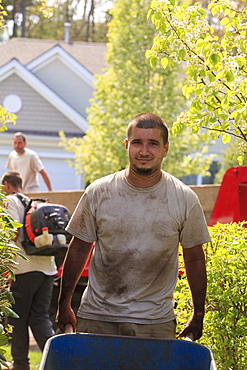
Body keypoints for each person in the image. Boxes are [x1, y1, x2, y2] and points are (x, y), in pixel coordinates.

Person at [56, 113, 210, 341]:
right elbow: (79, 249)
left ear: (165, 149)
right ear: (127, 145)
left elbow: (195, 259)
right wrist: (64, 303)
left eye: (153, 144)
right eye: (137, 143)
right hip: (99, 317)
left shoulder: (184, 198)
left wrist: (198, 314)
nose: (144, 151)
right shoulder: (98, 192)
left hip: (155, 323)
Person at [1, 171, 57, 370]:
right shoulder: (33, 201)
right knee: (40, 317)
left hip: (24, 270)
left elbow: (13, 231)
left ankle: (20, 365)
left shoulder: (10, 201)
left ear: (6, 185)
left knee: (17, 318)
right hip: (47, 269)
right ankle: (58, 361)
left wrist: (5, 262)